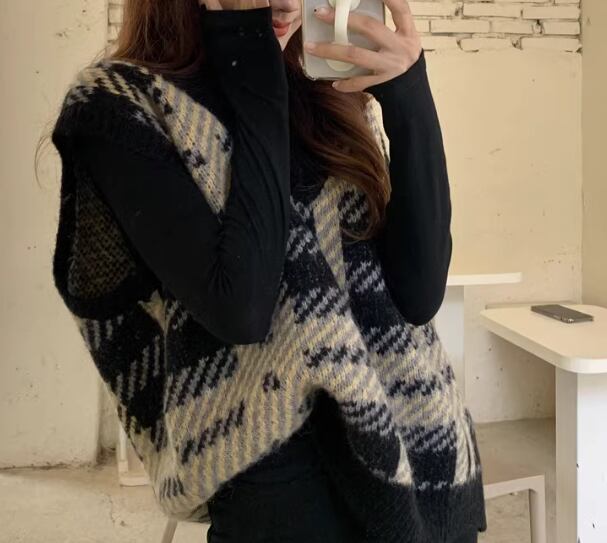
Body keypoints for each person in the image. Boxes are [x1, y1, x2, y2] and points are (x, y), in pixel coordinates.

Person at [48, 0, 487, 541]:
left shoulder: (327, 94)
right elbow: (242, 308)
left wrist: (410, 98)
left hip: (425, 456)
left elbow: (418, 296)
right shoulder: (122, 104)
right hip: (282, 488)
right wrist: (245, 51)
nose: (285, 2)